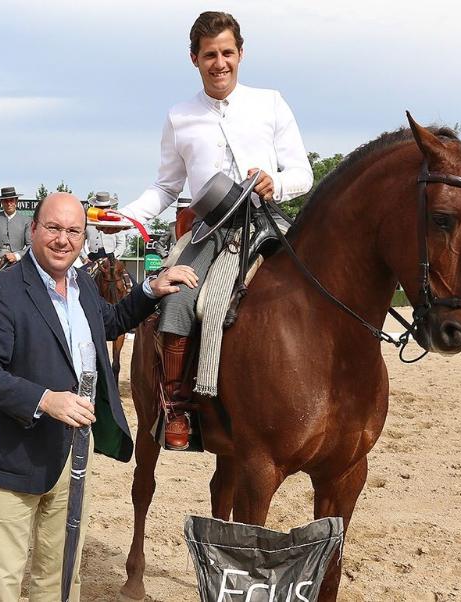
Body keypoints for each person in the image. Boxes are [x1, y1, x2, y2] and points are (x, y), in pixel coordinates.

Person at [0, 192, 197, 601]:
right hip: (12, 456)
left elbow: (109, 321)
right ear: (33, 230)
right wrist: (44, 400)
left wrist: (151, 290)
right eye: (53, 228)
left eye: (73, 231)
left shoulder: (82, 282)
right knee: (3, 582)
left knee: (61, 574)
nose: (62, 239)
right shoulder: (0, 292)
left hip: (73, 453)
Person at [112, 11, 313, 450]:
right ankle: (178, 404)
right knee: (179, 295)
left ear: (241, 54)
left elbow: (303, 172)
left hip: (269, 221)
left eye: (226, 53)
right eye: (209, 55)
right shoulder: (180, 116)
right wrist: (129, 217)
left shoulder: (271, 103)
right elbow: (166, 185)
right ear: (194, 59)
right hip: (210, 229)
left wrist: (275, 181)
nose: (219, 63)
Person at [80, 191, 125, 266]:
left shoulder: (116, 222)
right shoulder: (88, 222)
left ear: (110, 208)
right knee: (80, 276)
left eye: (105, 207)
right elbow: (79, 242)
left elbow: (121, 243)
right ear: (94, 207)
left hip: (111, 258)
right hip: (92, 259)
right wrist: (84, 258)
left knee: (126, 276)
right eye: (99, 208)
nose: (102, 210)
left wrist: (114, 256)